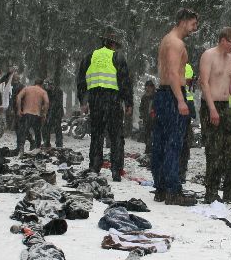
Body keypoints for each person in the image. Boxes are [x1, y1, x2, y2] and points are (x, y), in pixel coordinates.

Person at [151, 9, 200, 205]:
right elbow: (172, 73)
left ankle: (162, 188)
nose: (194, 28)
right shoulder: (175, 43)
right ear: (183, 21)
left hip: (165, 94)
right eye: (193, 24)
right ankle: (172, 189)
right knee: (173, 143)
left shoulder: (167, 40)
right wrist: (180, 100)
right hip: (171, 95)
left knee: (161, 142)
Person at [77, 27, 133, 181]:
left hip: (95, 100)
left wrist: (83, 102)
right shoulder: (117, 57)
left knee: (97, 135)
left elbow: (81, 80)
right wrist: (128, 102)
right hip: (113, 100)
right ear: (113, 44)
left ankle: (95, 166)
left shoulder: (89, 57)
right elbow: (125, 81)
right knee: (116, 136)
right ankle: (116, 170)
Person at [197, 26, 231, 203]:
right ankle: (211, 191)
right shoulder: (209, 55)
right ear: (223, 40)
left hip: (225, 105)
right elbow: (204, 83)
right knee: (214, 150)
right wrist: (212, 109)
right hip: (211, 104)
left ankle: (230, 189)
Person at [15, 79, 49, 154]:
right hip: (37, 115)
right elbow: (47, 102)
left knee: (23, 132)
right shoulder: (43, 91)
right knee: (37, 133)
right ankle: (37, 148)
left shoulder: (27, 89)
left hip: (26, 113)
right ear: (41, 85)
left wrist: (19, 109)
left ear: (34, 83)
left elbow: (18, 97)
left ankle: (21, 148)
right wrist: (44, 114)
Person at [42, 78, 64, 147]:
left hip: (57, 112)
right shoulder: (46, 91)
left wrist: (51, 111)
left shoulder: (58, 91)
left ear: (51, 84)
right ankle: (46, 142)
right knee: (46, 127)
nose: (45, 86)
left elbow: (57, 103)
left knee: (57, 127)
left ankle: (59, 143)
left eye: (47, 85)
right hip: (49, 111)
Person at [138, 80, 156, 154]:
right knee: (146, 135)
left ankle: (153, 150)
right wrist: (142, 114)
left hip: (154, 120)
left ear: (152, 87)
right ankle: (148, 149)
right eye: (146, 87)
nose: (147, 88)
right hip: (146, 120)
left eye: (149, 87)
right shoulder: (144, 97)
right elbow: (141, 108)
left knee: (153, 135)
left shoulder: (156, 96)